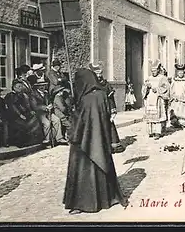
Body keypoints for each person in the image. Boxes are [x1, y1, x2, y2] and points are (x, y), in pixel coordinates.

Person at [63, 68, 126, 214]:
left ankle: (84, 203)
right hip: (100, 139)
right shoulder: (102, 95)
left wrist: (72, 124)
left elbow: (79, 125)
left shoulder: (84, 101)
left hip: (84, 142)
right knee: (102, 166)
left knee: (83, 171)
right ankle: (107, 198)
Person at [89, 63, 125, 154]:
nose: (99, 75)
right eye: (97, 74)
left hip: (107, 109)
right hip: (96, 109)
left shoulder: (106, 85)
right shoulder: (91, 85)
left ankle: (113, 145)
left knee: (109, 126)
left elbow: (111, 99)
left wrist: (113, 110)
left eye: (100, 73)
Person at [4, 80, 44, 147]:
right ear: (14, 87)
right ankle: (20, 142)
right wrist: (20, 115)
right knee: (22, 124)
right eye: (19, 86)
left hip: (23, 113)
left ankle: (33, 140)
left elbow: (26, 104)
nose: (21, 88)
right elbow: (13, 107)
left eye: (21, 86)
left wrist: (30, 110)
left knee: (35, 119)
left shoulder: (22, 95)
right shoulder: (10, 96)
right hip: (14, 115)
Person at [29, 76, 67, 146]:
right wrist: (45, 107)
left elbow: (50, 102)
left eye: (43, 85)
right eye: (40, 86)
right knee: (47, 123)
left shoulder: (46, 94)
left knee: (57, 120)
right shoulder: (33, 95)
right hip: (39, 113)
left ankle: (59, 138)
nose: (42, 87)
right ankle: (47, 139)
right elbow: (35, 106)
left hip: (48, 111)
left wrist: (50, 105)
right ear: (37, 87)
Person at [142, 60, 169, 139]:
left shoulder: (162, 78)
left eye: (155, 71)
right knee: (150, 116)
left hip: (158, 99)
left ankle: (157, 132)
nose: (153, 72)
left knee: (157, 116)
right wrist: (146, 87)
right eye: (152, 71)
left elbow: (166, 87)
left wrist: (157, 89)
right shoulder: (149, 78)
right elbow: (144, 88)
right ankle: (151, 131)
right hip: (150, 99)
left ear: (158, 70)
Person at [169, 63, 185, 128]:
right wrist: (172, 96)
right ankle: (175, 122)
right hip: (176, 98)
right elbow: (171, 89)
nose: (180, 73)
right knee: (175, 110)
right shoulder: (174, 81)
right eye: (179, 72)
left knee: (183, 111)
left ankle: (182, 123)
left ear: (183, 73)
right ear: (177, 73)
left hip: (183, 98)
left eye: (182, 72)